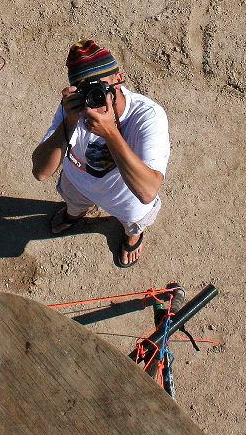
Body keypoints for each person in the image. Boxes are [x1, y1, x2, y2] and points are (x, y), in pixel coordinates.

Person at [32, 39, 170, 268]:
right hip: (78, 184)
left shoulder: (148, 116)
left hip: (128, 200)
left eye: (100, 87)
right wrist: (70, 119)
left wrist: (110, 132)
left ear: (119, 78)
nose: (93, 99)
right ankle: (75, 214)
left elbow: (147, 192)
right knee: (73, 204)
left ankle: (132, 236)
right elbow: (40, 172)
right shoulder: (73, 109)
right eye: (85, 89)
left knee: (134, 222)